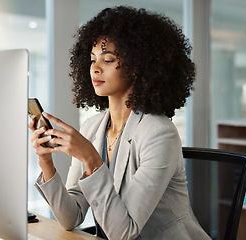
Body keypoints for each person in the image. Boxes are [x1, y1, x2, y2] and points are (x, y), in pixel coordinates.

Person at [29, 6, 211, 240]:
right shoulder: (92, 127)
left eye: (108, 60)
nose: (95, 68)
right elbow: (70, 217)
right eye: (93, 59)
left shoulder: (159, 133)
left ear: (138, 66)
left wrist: (90, 159)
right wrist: (45, 161)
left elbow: (124, 233)